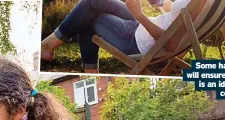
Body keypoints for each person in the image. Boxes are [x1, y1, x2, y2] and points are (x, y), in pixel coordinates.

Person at [41, 0, 207, 73]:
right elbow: (177, 16)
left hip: (137, 40)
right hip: (145, 27)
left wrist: (140, 15)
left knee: (88, 15)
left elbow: (171, 44)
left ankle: (49, 46)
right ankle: (90, 69)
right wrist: (160, 3)